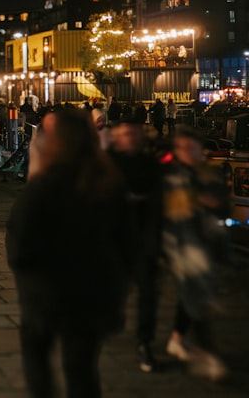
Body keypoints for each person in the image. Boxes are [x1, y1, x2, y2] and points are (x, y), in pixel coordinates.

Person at [6, 108, 130, 398]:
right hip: (94, 295)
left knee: (37, 357)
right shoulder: (108, 184)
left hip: (48, 295)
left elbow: (20, 248)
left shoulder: (42, 189)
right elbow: (127, 242)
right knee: (83, 369)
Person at [160, 127, 229, 381]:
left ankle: (177, 339)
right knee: (196, 298)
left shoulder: (210, 173)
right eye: (181, 148)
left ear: (201, 149)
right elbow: (168, 214)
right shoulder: (171, 177)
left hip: (207, 245)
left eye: (191, 147)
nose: (186, 153)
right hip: (182, 247)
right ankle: (210, 356)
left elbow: (224, 208)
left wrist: (215, 205)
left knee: (191, 298)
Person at [108, 118, 163, 373]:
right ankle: (109, 323)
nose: (129, 138)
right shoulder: (105, 164)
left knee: (148, 292)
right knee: (113, 289)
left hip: (144, 238)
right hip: (114, 237)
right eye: (124, 134)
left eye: (133, 133)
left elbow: (160, 199)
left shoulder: (151, 163)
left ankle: (145, 340)